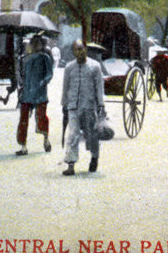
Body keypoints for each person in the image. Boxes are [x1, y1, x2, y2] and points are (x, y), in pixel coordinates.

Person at [60, 40, 105, 176]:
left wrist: (100, 104)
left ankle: (94, 157)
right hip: (73, 106)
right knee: (73, 134)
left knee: (91, 135)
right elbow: (65, 87)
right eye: (76, 50)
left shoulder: (95, 66)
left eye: (81, 49)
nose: (79, 52)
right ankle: (71, 164)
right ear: (73, 52)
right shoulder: (69, 67)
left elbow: (99, 87)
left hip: (89, 106)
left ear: (85, 49)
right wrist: (64, 104)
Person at [15, 34, 54, 155]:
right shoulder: (26, 58)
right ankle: (23, 146)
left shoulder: (45, 58)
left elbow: (49, 73)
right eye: (33, 43)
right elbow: (21, 75)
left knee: (42, 117)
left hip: (40, 93)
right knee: (23, 120)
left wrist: (44, 81)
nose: (35, 45)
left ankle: (46, 139)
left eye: (38, 43)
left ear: (42, 45)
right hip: (27, 93)